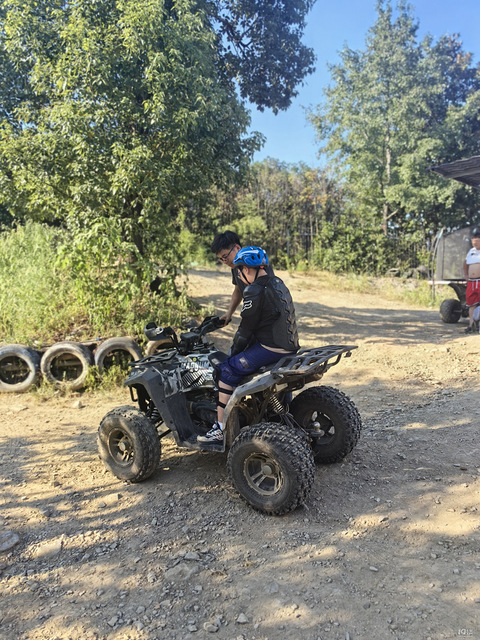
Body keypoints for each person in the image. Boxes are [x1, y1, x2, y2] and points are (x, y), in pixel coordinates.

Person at [198, 246, 299, 444]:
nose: (240, 276)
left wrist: (231, 356)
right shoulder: (277, 282)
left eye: (240, 271)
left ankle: (219, 429)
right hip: (290, 346)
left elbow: (244, 331)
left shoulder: (254, 290)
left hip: (272, 348)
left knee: (226, 370)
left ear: (245, 269)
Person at [211, 231, 274, 325]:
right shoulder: (235, 267)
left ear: (237, 248)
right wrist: (229, 313)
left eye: (225, 256)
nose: (225, 261)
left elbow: (269, 292)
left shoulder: (256, 263)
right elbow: (238, 290)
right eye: (221, 259)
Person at [463, 227, 480, 333]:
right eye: (473, 240)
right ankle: (471, 325)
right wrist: (466, 274)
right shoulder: (471, 251)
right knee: (471, 304)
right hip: (471, 282)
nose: (475, 242)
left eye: (477, 240)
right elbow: (465, 263)